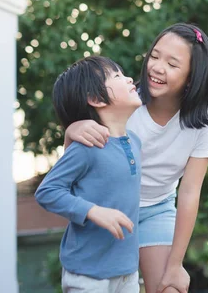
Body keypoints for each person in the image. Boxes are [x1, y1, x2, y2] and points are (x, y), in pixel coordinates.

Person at [65, 23, 208, 293]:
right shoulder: (125, 103)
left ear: (192, 76)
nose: (158, 67)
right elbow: (77, 167)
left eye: (172, 64)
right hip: (110, 209)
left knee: (169, 287)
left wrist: (176, 264)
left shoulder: (206, 120)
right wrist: (71, 132)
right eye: (155, 56)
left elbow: (189, 193)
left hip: (157, 209)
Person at [35, 56, 143, 293]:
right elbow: (47, 191)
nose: (128, 79)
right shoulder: (86, 147)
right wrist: (93, 211)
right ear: (95, 99)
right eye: (116, 76)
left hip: (127, 273)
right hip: (88, 275)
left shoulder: (134, 142)